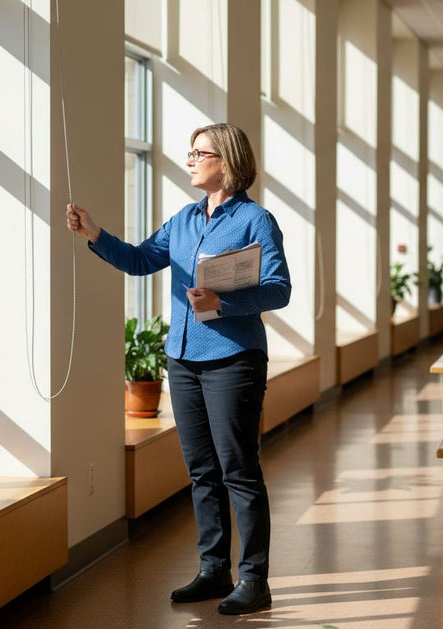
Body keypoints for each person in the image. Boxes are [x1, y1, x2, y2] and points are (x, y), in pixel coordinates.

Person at [66, 123, 290, 615]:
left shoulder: (256, 221)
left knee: (239, 471)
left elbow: (279, 289)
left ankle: (254, 579)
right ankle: (214, 570)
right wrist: (94, 233)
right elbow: (141, 260)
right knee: (202, 471)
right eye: (189, 153)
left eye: (198, 153)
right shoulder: (184, 219)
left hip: (234, 359)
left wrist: (224, 302)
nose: (189, 160)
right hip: (183, 360)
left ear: (225, 161)